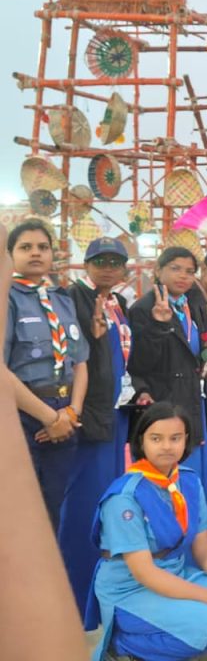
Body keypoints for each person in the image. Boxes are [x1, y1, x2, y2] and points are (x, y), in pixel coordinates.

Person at [89, 403, 207, 661]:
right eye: (156, 438)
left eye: (175, 438)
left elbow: (204, 551)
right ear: (141, 441)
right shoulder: (124, 497)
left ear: (186, 440)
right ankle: (122, 646)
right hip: (131, 590)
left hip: (176, 573)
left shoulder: (189, 480)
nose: (166, 446)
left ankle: (177, 636)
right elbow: (144, 572)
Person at [62, 237, 132, 616]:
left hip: (116, 412)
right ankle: (75, 589)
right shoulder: (74, 298)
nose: (108, 268)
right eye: (100, 261)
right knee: (84, 501)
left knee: (107, 497)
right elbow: (76, 357)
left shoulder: (116, 303)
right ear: (86, 264)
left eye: (115, 262)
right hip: (90, 413)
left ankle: (102, 581)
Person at [128, 247, 207, 515]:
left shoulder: (192, 304)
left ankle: (199, 528)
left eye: (189, 271)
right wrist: (159, 325)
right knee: (170, 470)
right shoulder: (143, 308)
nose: (183, 276)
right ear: (158, 270)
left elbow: (203, 342)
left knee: (197, 470)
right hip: (166, 400)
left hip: (196, 397)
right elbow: (140, 363)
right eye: (175, 269)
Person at [6, 221, 88, 530]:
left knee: (53, 508)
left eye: (43, 247)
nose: (35, 253)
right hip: (22, 416)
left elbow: (80, 362)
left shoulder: (61, 298)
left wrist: (71, 412)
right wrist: (50, 418)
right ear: (10, 255)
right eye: (25, 247)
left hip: (65, 416)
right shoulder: (6, 298)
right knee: (21, 513)